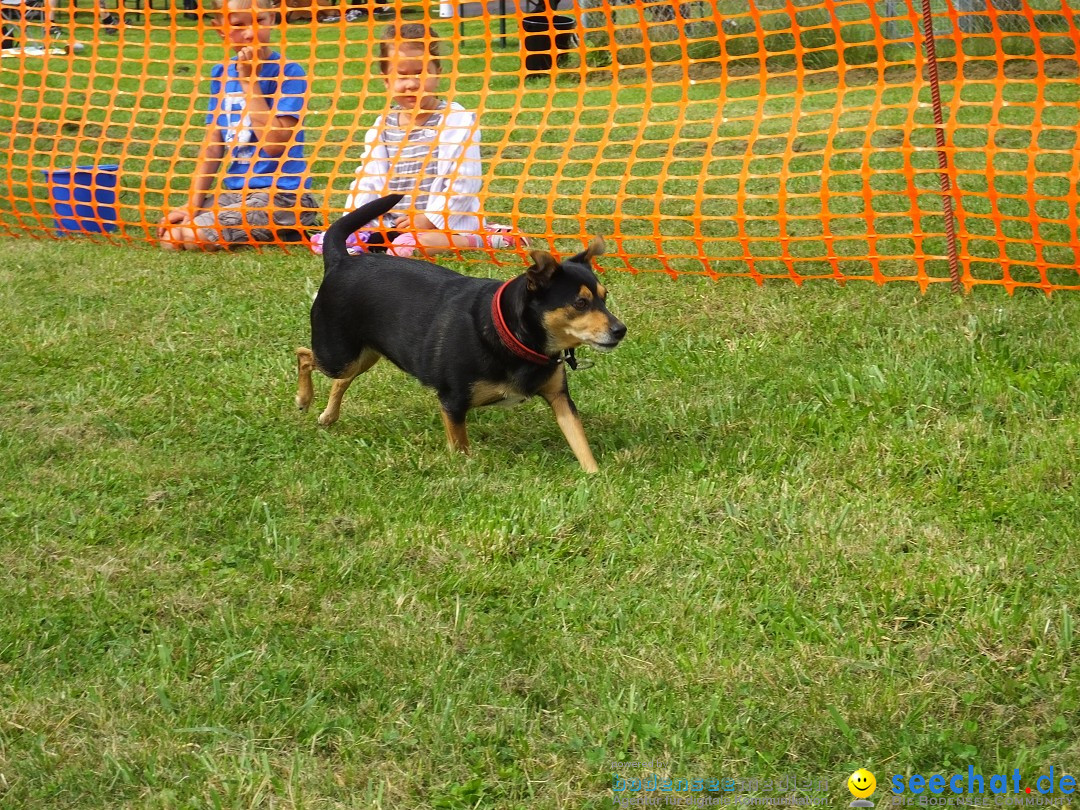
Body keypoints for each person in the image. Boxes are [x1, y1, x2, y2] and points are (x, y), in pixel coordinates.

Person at [310, 22, 527, 258]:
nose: (412, 84)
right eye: (401, 75)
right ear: (385, 80)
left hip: (443, 224)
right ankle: (379, 240)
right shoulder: (381, 128)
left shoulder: (455, 121)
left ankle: (477, 238)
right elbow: (368, 182)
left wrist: (428, 219)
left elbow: (463, 184)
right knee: (332, 241)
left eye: (421, 73)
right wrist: (352, 223)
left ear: (438, 72)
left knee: (409, 247)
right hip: (395, 224)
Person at [158, 0, 319, 251]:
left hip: (282, 197)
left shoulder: (290, 74)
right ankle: (278, 232)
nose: (251, 33)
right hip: (236, 195)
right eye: (238, 25)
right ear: (220, 29)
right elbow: (213, 148)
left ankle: (289, 226)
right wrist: (191, 205)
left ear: (273, 19)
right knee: (170, 236)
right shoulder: (220, 74)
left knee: (188, 238)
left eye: (259, 21)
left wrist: (249, 81)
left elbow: (274, 145)